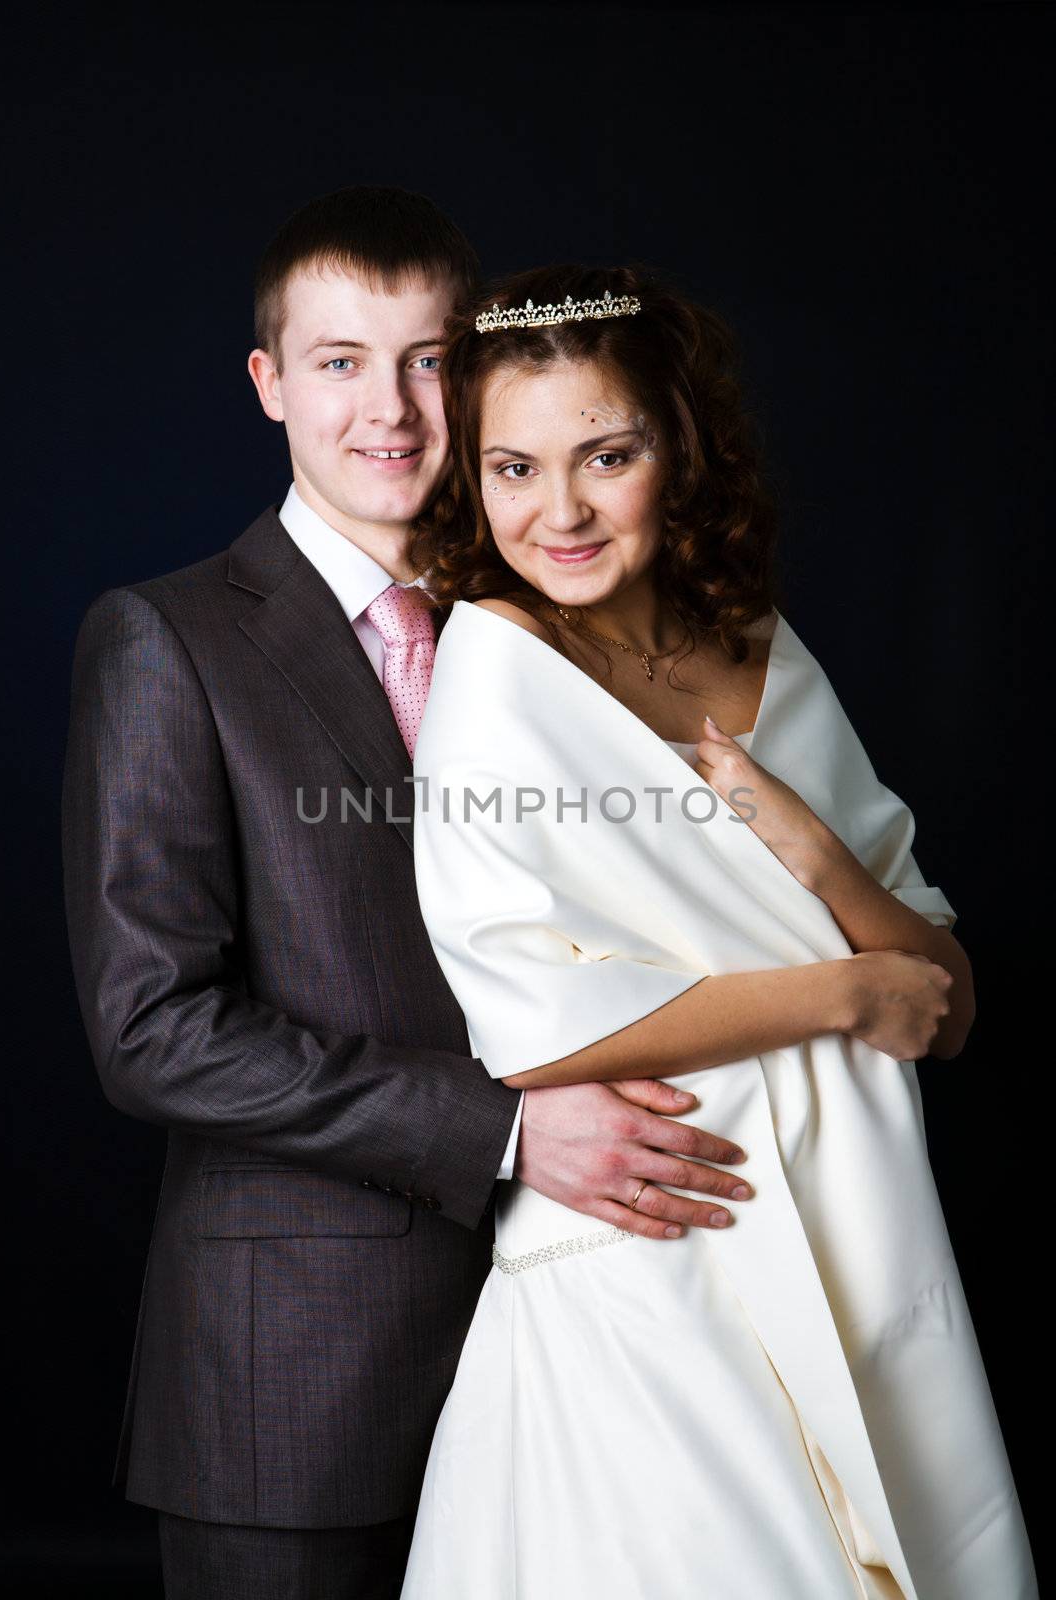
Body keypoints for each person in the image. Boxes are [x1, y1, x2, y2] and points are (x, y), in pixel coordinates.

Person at [61, 193, 755, 1600]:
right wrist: (502, 1132)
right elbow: (152, 1027)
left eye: (430, 359)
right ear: (268, 384)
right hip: (298, 1380)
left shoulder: (560, 616)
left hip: (588, 1341)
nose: (389, 408)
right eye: (337, 361)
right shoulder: (166, 641)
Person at [399, 264, 1038, 1598]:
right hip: (661, 1227)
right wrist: (838, 997)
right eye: (512, 468)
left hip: (861, 1215)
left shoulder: (761, 644)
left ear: (677, 452)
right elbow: (530, 1029)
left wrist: (810, 848)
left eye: (607, 455)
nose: (557, 510)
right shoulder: (492, 669)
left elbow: (946, 993)